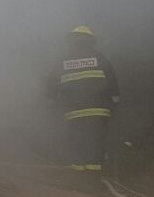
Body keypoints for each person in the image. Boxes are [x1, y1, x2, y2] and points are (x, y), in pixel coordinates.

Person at [47, 25, 119, 181]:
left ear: (72, 42)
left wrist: (52, 102)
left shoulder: (64, 62)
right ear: (90, 42)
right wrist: (115, 102)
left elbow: (52, 85)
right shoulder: (99, 58)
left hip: (74, 113)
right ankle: (94, 179)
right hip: (99, 112)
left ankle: (78, 179)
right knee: (96, 143)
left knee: (77, 142)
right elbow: (112, 82)